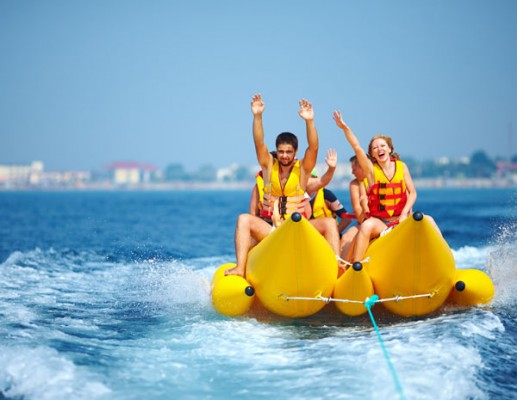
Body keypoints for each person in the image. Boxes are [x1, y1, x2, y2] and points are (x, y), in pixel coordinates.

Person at [225, 94, 340, 277]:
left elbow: (314, 147)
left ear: (295, 152)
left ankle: (336, 269)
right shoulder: (269, 166)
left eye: (288, 152)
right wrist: (257, 116)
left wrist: (309, 122)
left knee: (329, 223)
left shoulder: (302, 169)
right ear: (276, 152)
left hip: (298, 228)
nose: (284, 155)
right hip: (273, 229)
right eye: (281, 152)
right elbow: (259, 143)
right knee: (243, 219)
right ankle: (240, 268)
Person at [333, 110, 417, 263]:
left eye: (382, 146)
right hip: (381, 222)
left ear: (390, 149)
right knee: (366, 226)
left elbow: (412, 193)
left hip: (401, 220)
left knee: (428, 221)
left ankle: (448, 263)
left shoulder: (402, 167)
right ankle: (356, 268)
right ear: (372, 154)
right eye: (375, 148)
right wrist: (345, 128)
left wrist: (404, 214)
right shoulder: (371, 171)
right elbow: (357, 147)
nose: (380, 149)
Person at [340, 155, 369, 262]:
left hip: (379, 222)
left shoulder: (378, 179)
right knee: (346, 238)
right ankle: (342, 269)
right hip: (363, 223)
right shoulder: (355, 184)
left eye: (354, 169)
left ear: (362, 167)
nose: (352, 173)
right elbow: (358, 212)